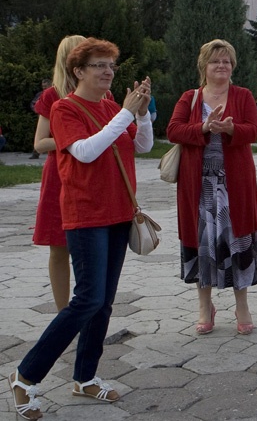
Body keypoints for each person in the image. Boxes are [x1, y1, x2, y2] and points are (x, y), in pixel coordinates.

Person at [8, 38, 153, 420]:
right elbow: (85, 151)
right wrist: (124, 114)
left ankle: (85, 377)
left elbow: (140, 148)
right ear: (78, 71)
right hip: (86, 214)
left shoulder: (110, 106)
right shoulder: (64, 108)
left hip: (119, 212)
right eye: (99, 65)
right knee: (87, 299)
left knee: (104, 302)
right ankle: (25, 376)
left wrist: (143, 115)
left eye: (112, 66)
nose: (108, 71)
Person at [167, 39, 257, 337]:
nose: (221, 66)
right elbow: (172, 130)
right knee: (202, 244)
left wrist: (231, 129)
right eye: (215, 61)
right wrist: (204, 128)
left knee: (238, 241)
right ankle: (204, 307)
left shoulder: (243, 95)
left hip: (234, 184)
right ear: (203, 66)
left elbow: (255, 129)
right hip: (199, 186)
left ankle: (242, 306)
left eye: (226, 61)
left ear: (232, 66)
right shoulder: (191, 98)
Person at [32, 35, 86, 311]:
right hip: (59, 177)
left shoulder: (104, 93)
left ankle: (87, 308)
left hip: (90, 176)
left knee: (89, 249)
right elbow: (40, 143)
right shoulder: (52, 95)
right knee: (58, 246)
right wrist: (73, 140)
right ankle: (63, 311)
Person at [29, 79, 52, 159]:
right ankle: (35, 153)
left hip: (52, 117)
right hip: (43, 117)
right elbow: (33, 103)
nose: (44, 88)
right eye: (43, 86)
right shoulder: (40, 94)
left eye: (46, 86)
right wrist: (38, 110)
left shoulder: (53, 94)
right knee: (41, 136)